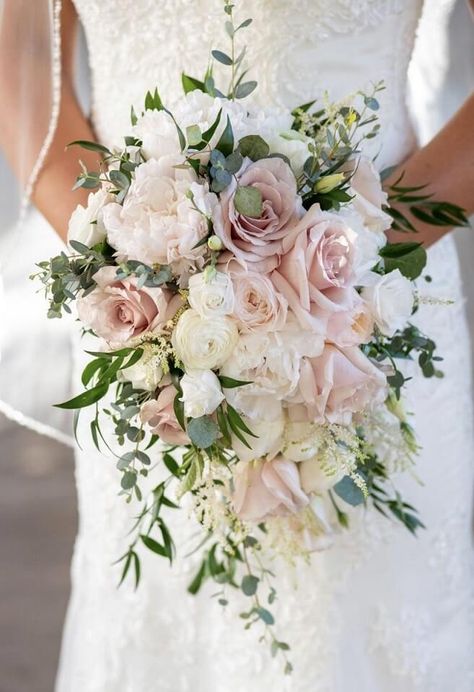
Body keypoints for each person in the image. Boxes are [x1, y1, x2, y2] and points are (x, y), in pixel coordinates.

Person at [1, 1, 473, 690]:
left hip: (370, 305)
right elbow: (24, 63)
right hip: (144, 323)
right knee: (161, 617)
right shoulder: (144, 297)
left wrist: (331, 267)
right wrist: (143, 271)